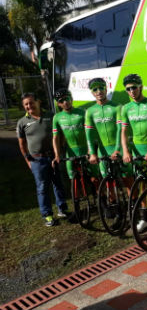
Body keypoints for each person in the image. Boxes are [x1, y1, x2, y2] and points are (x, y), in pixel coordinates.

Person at [17, 92, 68, 227]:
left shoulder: (51, 116)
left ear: (38, 102)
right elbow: (22, 144)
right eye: (26, 104)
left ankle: (62, 209)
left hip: (53, 156)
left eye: (31, 102)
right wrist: (28, 160)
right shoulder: (22, 122)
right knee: (42, 188)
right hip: (37, 160)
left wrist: (60, 150)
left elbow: (60, 134)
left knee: (58, 183)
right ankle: (47, 215)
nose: (29, 106)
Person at [120, 74, 147, 232]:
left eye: (134, 87)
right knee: (142, 184)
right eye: (128, 89)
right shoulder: (126, 108)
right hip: (137, 151)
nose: (131, 91)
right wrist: (125, 151)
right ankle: (145, 218)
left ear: (140, 87)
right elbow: (123, 131)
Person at [52, 88, 99, 181]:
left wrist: (91, 149)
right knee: (73, 179)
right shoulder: (57, 117)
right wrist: (57, 155)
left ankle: (99, 193)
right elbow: (55, 137)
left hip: (86, 149)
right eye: (61, 101)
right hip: (70, 152)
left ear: (71, 98)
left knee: (95, 178)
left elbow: (91, 132)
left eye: (67, 99)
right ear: (58, 104)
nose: (65, 102)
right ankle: (80, 195)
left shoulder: (83, 113)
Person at [85, 78, 121, 176]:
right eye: (95, 89)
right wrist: (92, 153)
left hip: (118, 149)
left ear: (106, 89)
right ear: (92, 92)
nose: (99, 91)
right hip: (102, 151)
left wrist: (118, 149)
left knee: (128, 182)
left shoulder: (117, 107)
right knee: (108, 183)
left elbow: (120, 130)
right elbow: (89, 134)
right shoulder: (90, 111)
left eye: (101, 88)